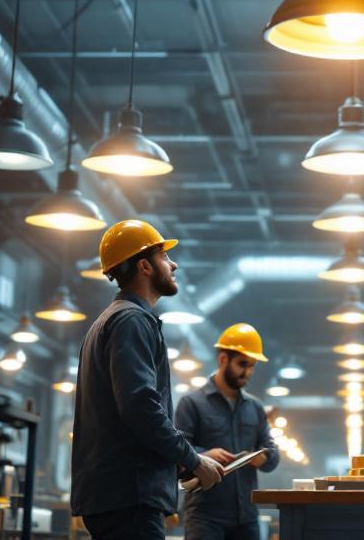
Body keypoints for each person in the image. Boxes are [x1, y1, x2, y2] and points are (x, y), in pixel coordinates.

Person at [72, 220, 227, 540]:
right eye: (164, 257)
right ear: (144, 266)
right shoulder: (132, 320)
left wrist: (181, 463)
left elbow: (127, 417)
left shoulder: (112, 320)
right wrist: (192, 458)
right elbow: (140, 406)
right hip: (130, 495)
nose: (174, 264)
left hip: (118, 494)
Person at [175, 323, 280, 540]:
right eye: (243, 364)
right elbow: (177, 453)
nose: (248, 372)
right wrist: (203, 456)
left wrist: (261, 458)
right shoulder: (191, 403)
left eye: (252, 366)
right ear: (223, 359)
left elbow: (272, 453)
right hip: (205, 517)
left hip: (246, 517)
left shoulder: (255, 407)